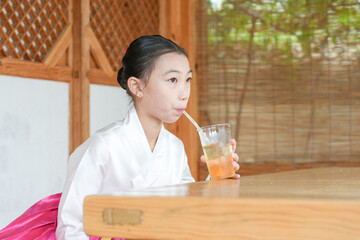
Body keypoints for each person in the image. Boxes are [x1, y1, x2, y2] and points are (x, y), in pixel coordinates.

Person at [0, 35, 240, 240]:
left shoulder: (175, 147)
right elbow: (70, 225)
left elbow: (182, 208)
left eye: (187, 79)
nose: (184, 93)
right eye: (173, 80)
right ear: (137, 87)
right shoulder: (105, 145)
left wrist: (216, 179)